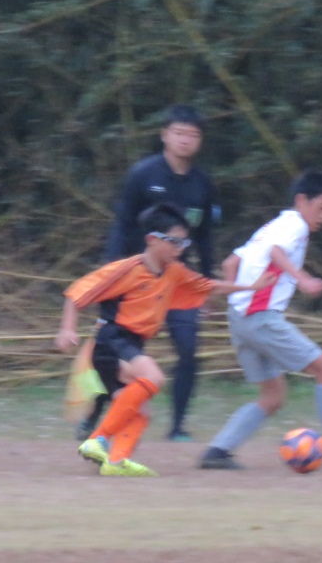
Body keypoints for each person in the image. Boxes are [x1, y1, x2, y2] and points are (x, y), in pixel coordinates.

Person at [56, 203, 274, 477]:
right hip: (111, 340)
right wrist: (67, 329)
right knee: (154, 376)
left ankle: (116, 461)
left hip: (133, 344)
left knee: (141, 412)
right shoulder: (127, 269)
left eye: (184, 242)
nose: (179, 248)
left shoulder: (174, 271)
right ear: (152, 239)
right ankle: (97, 439)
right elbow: (77, 293)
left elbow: (209, 286)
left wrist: (251, 287)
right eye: (174, 241)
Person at [198, 170, 322, 471]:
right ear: (301, 200)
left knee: (273, 396)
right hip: (261, 318)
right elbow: (276, 252)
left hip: (240, 320)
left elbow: (231, 262)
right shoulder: (295, 226)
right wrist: (302, 278)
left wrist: (227, 300)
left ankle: (217, 452)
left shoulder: (271, 226)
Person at [77, 104, 217, 444]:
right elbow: (122, 224)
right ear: (165, 135)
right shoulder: (143, 174)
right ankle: (95, 415)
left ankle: (178, 426)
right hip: (136, 281)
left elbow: (205, 237)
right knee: (115, 351)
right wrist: (112, 273)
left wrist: (206, 285)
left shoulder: (203, 184)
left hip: (178, 281)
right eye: (179, 133)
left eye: (193, 135)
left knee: (188, 348)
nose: (185, 140)